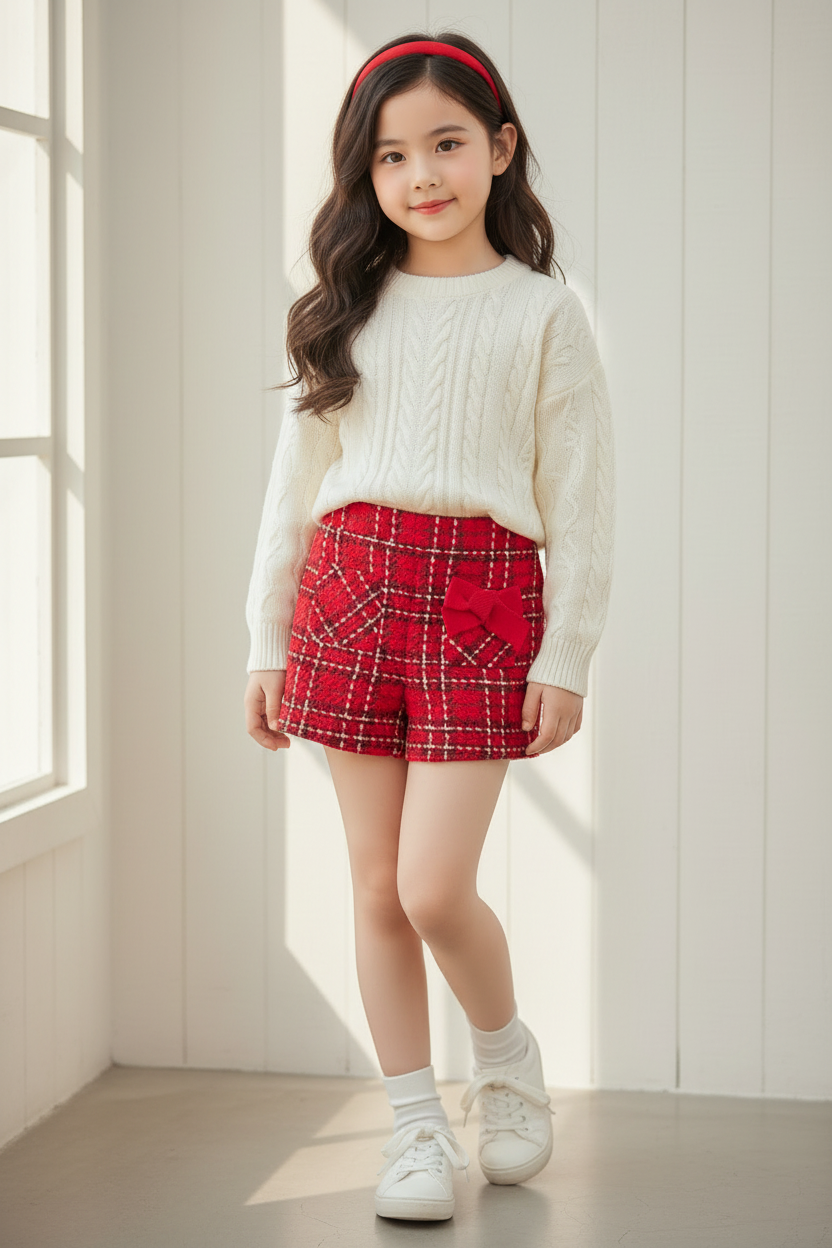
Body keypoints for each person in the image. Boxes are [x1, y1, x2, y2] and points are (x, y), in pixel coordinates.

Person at [243, 31, 616, 1223]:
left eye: (446, 144)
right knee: (374, 886)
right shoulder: (342, 311)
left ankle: (502, 1058)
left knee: (433, 887)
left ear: (499, 149)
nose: (421, 175)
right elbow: (292, 491)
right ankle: (413, 1129)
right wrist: (267, 639)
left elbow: (580, 501)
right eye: (391, 156)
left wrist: (566, 657)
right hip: (346, 596)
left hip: (480, 600)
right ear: (366, 174)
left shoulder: (544, 314)